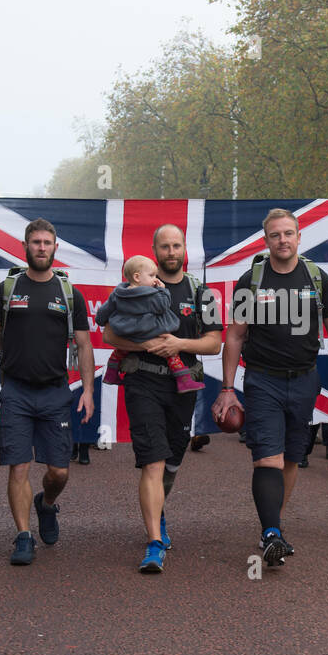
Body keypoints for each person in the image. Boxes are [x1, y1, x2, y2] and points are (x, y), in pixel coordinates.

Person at [212, 208, 328, 567]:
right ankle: (271, 532)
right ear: (266, 240)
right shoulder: (252, 280)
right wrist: (228, 387)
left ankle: (274, 525)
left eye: (288, 233)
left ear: (299, 237)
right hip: (263, 381)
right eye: (275, 235)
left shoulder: (316, 277)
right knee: (268, 458)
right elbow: (236, 335)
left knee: (292, 458)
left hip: (305, 380)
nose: (283, 240)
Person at [0, 218, 95, 566]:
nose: (41, 247)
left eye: (47, 242)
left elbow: (83, 345)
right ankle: (23, 536)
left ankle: (47, 504)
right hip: (16, 392)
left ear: (55, 248)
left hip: (55, 393)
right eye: (35, 242)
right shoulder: (6, 290)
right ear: (25, 247)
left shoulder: (70, 294)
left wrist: (87, 390)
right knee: (18, 467)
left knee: (60, 472)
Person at [99, 223, 222, 573]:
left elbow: (214, 342)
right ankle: (154, 542)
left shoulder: (202, 292)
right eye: (164, 247)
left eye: (176, 245)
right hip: (143, 383)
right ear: (154, 251)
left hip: (183, 387)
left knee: (172, 459)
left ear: (185, 249)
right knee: (152, 461)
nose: (171, 252)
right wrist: (146, 345)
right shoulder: (131, 288)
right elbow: (109, 333)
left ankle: (159, 510)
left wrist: (178, 345)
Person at [98, 255, 205, 394]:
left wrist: (100, 320)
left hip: (127, 331)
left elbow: (104, 312)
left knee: (122, 349)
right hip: (147, 330)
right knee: (169, 350)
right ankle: (183, 379)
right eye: (152, 275)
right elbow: (162, 306)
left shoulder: (118, 293)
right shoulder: (149, 294)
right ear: (137, 277)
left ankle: (111, 373)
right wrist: (163, 290)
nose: (156, 279)